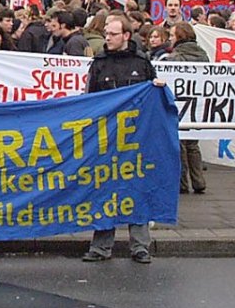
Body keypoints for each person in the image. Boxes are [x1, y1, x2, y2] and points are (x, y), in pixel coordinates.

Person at [81, 16, 164, 264]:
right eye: (106, 33)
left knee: (136, 190)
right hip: (107, 139)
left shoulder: (142, 62)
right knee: (106, 191)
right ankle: (101, 246)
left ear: (126, 36)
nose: (107, 37)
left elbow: (151, 94)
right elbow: (89, 100)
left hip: (135, 139)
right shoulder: (99, 64)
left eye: (113, 34)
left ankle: (139, 246)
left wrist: (158, 88)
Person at [163, 23, 209, 195]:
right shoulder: (202, 54)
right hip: (196, 104)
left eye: (173, 36)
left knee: (180, 144)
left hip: (179, 104)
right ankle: (199, 181)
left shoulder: (174, 57)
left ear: (180, 37)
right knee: (193, 143)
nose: (170, 39)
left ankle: (182, 183)